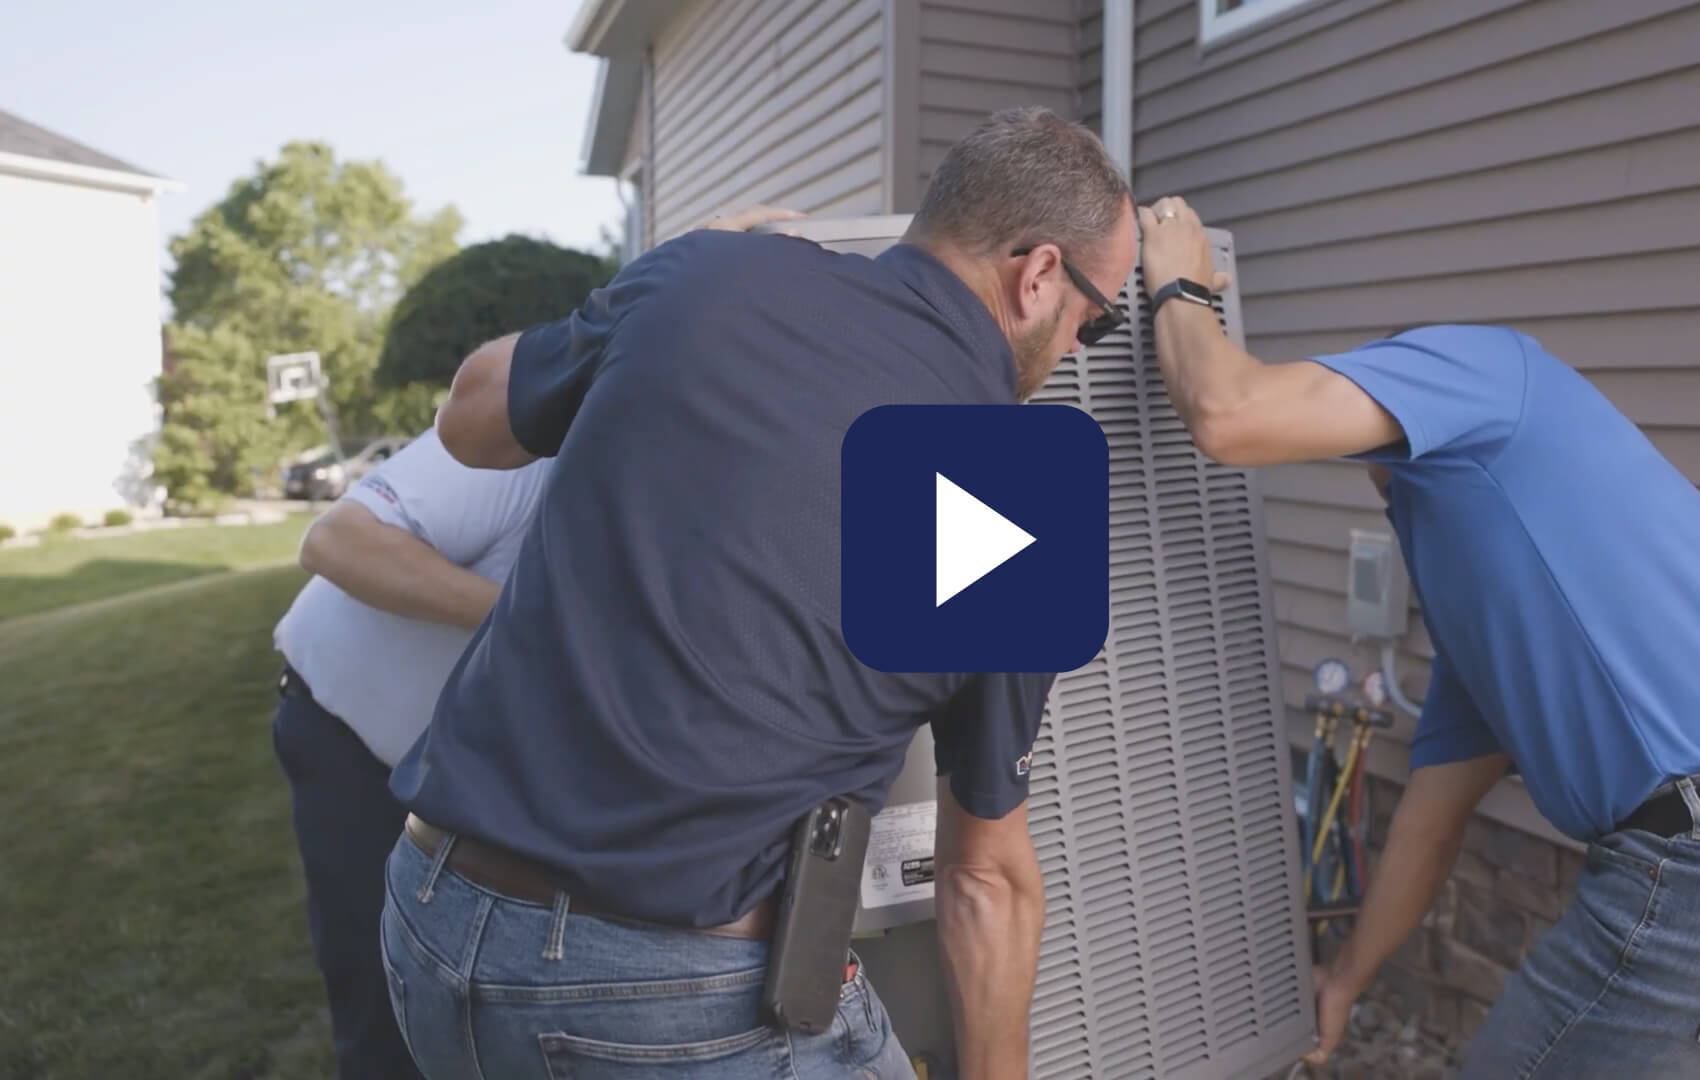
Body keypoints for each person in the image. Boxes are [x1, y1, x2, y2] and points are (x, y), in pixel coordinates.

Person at [377, 105, 1137, 1080]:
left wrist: (647, 291)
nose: (1080, 348)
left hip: (432, 921)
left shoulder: (700, 274)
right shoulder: (1016, 480)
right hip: (664, 1004)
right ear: (1037, 276)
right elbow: (984, 878)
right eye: (1097, 318)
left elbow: (469, 421)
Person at [1135, 195, 1700, 1079]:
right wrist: (1347, 979)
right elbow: (1431, 819)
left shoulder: (1484, 366)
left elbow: (1229, 415)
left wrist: (1177, 284)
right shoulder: (1492, 608)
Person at [270, 427, 552, 1080]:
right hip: (348, 735)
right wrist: (536, 624)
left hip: (461, 770)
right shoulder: (533, 443)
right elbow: (336, 540)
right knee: (388, 1015)